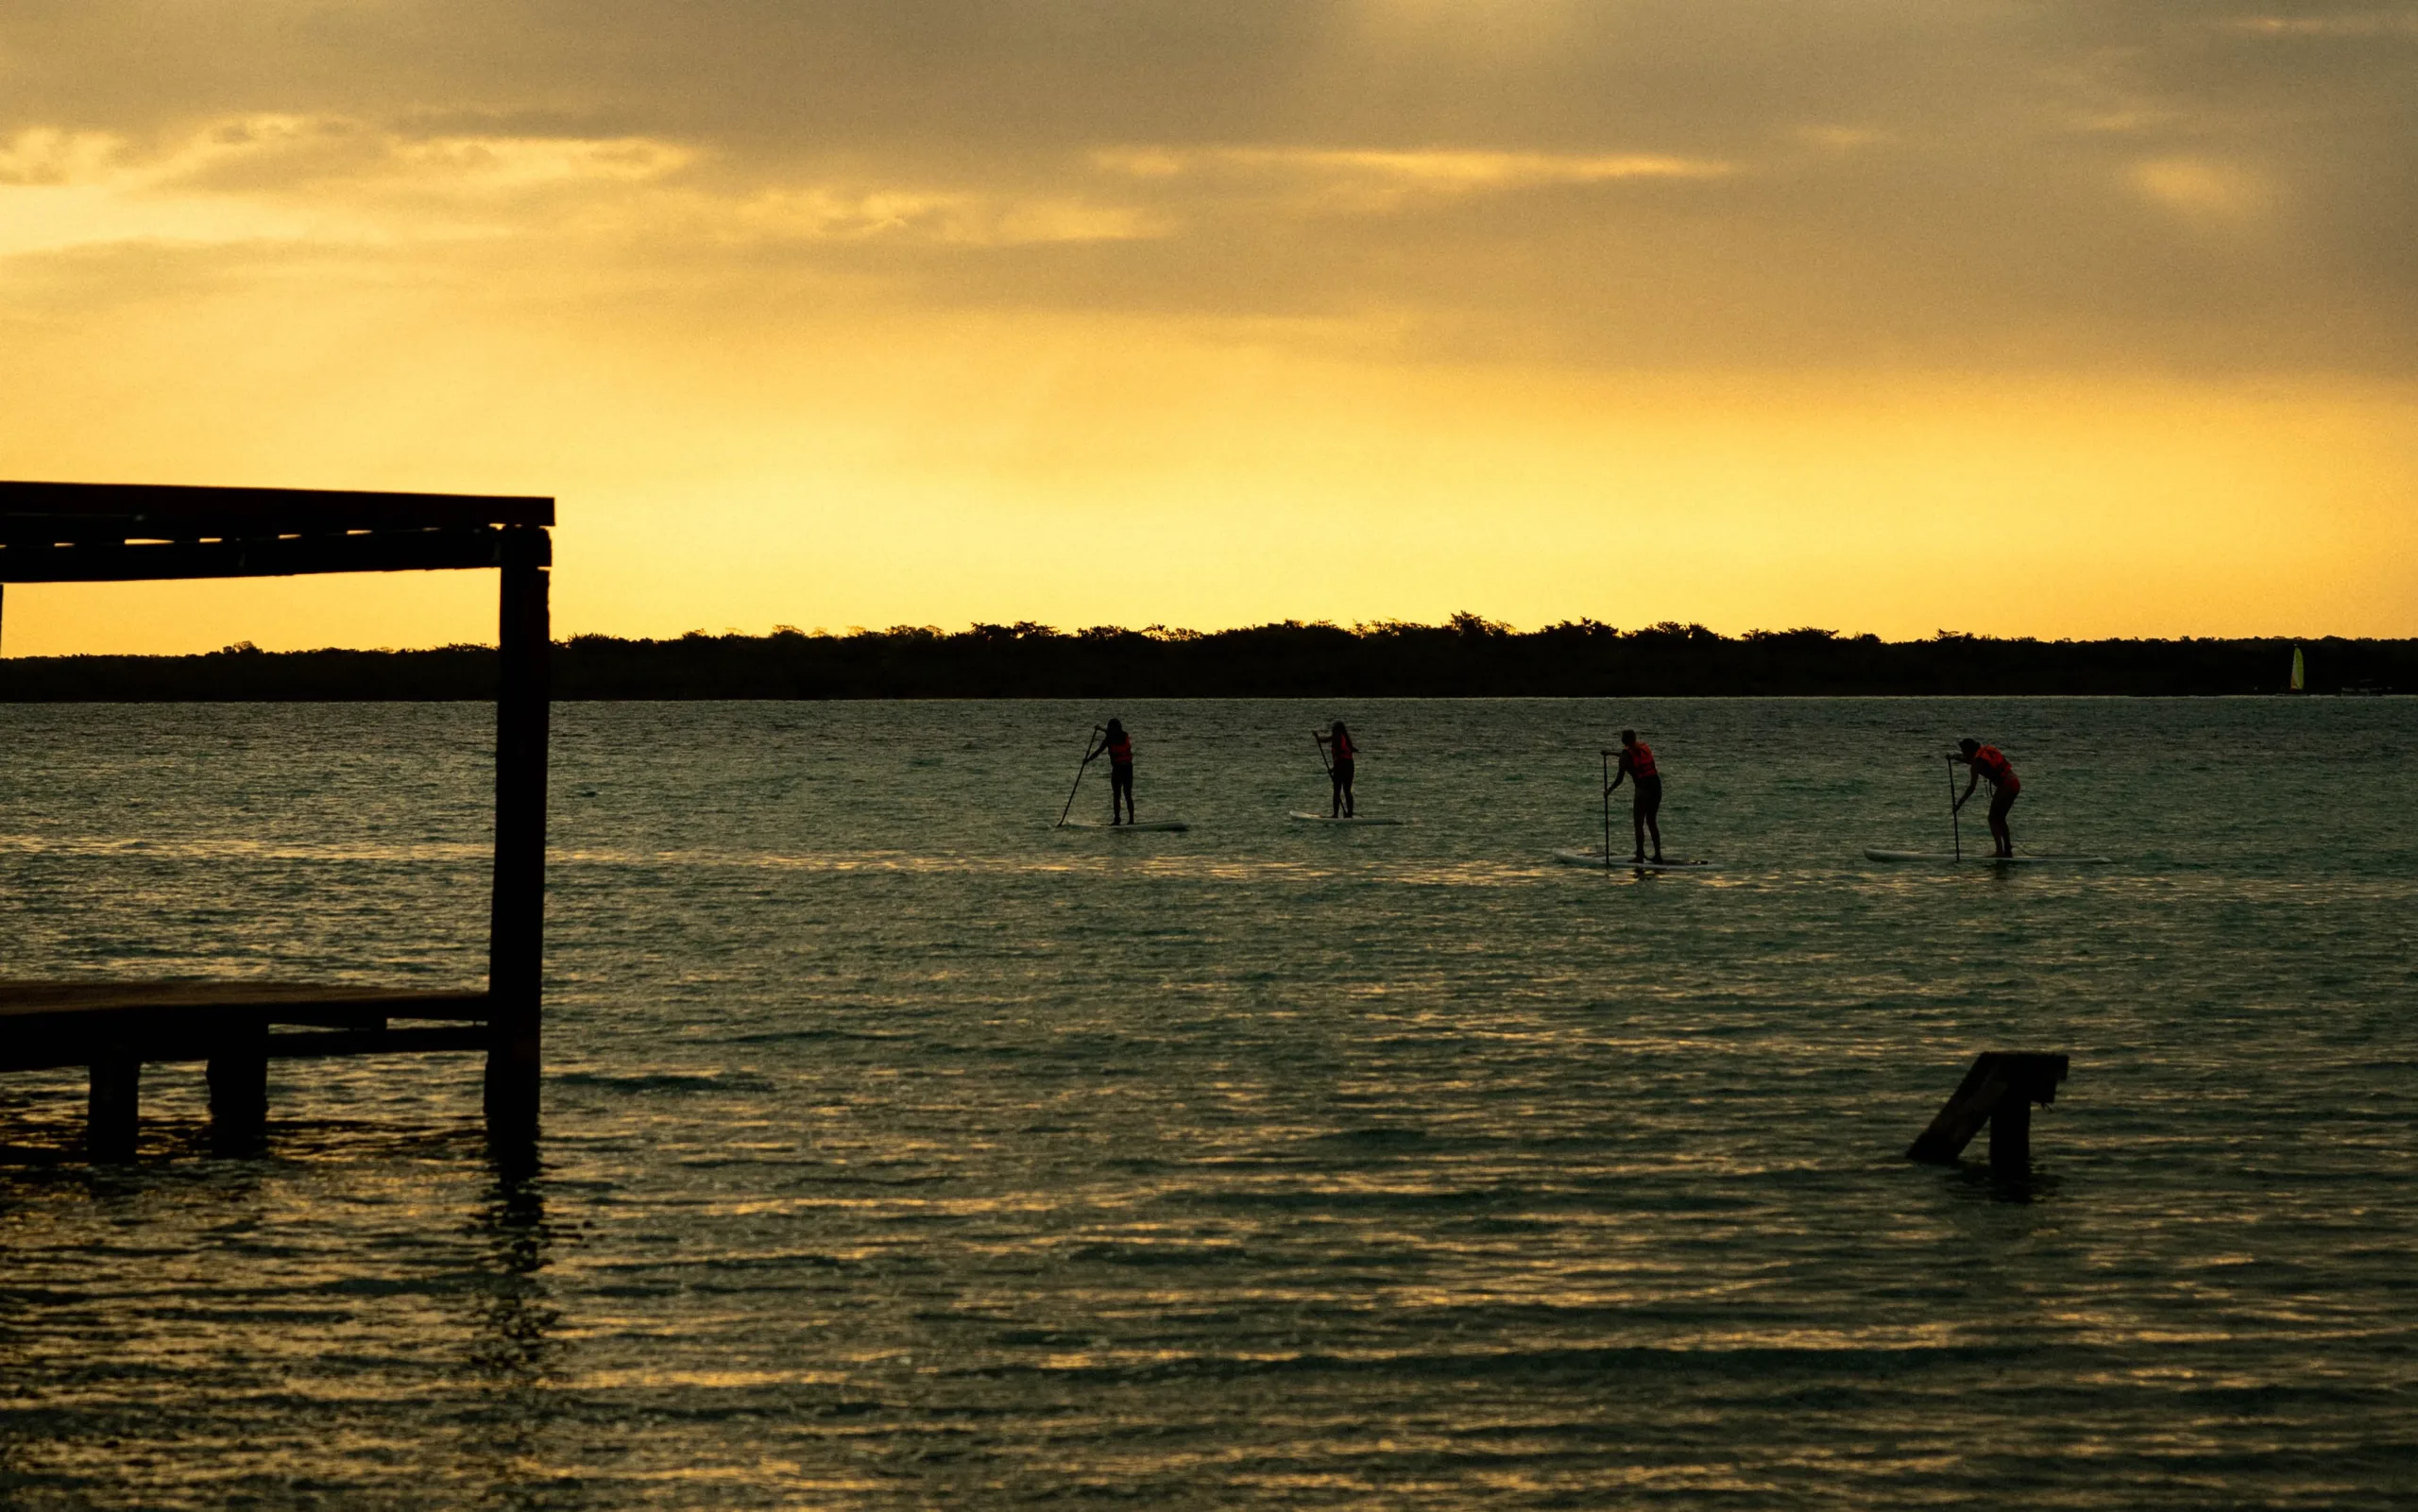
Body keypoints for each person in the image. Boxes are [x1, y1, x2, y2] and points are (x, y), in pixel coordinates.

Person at [1952, 737, 2019, 858]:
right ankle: (2007, 850)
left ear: (1969, 751)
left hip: (2007, 786)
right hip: (2015, 782)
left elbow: (1972, 787)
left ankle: (2000, 851)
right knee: (2000, 818)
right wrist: (1954, 757)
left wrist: (1959, 804)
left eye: (1963, 751)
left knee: (1992, 818)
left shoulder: (1976, 763)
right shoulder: (1985, 751)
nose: (1962, 754)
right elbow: (1972, 760)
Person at [1606, 729, 1662, 862]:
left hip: (1643, 789)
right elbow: (1628, 754)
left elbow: (1619, 779)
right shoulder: (1643, 748)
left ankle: (1640, 855)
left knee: (1638, 823)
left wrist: (1608, 791)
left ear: (1624, 741)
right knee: (1651, 821)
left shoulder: (1625, 757)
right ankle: (1658, 854)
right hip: (1656, 787)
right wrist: (1610, 754)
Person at [1087, 719, 1136, 824]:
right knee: (1119, 795)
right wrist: (1088, 759)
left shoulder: (1119, 736)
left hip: (1124, 769)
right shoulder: (1115, 737)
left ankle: (1128, 820)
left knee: (1125, 794)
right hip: (1122, 769)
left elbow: (1112, 737)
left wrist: (1100, 729)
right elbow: (1099, 751)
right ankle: (1119, 819)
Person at [1315, 720, 1356, 817]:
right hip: (1349, 766)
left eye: (1334, 728)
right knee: (1347, 790)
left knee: (1337, 791)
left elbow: (1339, 758)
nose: (1333, 730)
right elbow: (1343, 758)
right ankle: (1349, 814)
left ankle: (1336, 814)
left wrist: (1317, 737)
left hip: (1342, 766)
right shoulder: (1346, 739)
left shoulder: (1337, 736)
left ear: (1337, 730)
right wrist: (1333, 769)